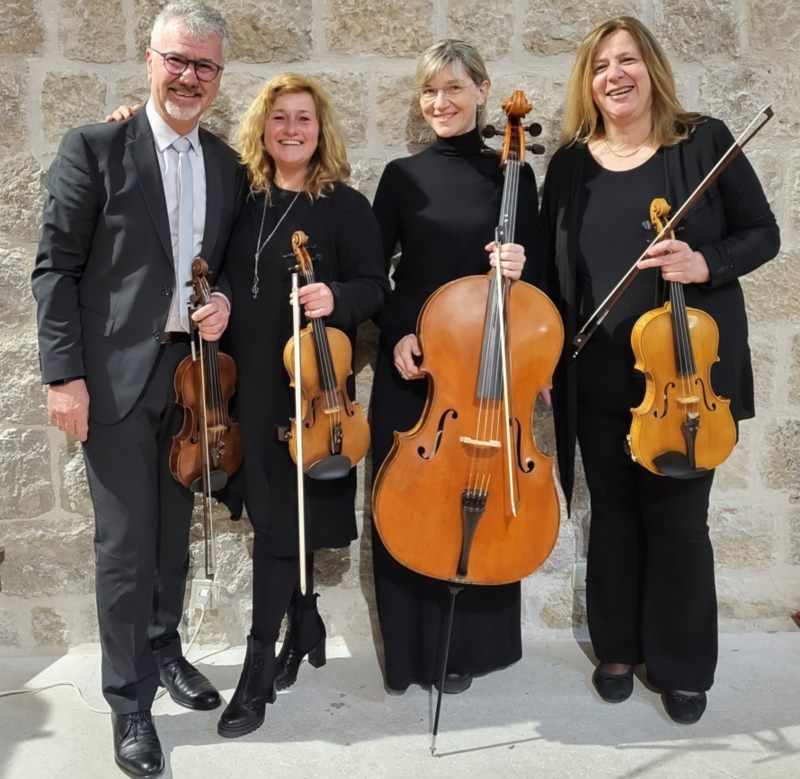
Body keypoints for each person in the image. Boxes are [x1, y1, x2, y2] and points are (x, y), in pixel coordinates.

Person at [540, 16, 780, 724]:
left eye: (627, 60)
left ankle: (679, 662)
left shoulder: (702, 142)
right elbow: (560, 278)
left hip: (687, 382)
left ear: (651, 68)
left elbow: (763, 232)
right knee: (610, 515)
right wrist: (552, 349)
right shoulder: (570, 166)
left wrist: (706, 261)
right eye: (600, 65)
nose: (614, 74)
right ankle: (617, 646)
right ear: (588, 83)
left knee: (678, 519)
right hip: (601, 374)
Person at [31, 3, 246, 776]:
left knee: (171, 531)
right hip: (111, 378)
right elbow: (55, 266)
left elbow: (218, 266)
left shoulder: (228, 166)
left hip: (188, 379)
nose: (189, 77)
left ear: (220, 76)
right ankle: (129, 704)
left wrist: (218, 300)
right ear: (149, 59)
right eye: (177, 60)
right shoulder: (94, 146)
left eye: (205, 66)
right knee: (124, 545)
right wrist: (63, 375)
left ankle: (163, 649)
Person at [215, 73, 389, 738]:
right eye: (280, 118)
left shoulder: (345, 206)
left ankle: (256, 670)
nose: (292, 129)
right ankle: (304, 614)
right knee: (272, 516)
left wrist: (335, 299)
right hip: (251, 387)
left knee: (286, 523)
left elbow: (376, 285)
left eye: (304, 120)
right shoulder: (243, 199)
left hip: (316, 390)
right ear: (264, 128)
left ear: (322, 131)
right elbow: (225, 270)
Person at [369, 39, 544, 694]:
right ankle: (414, 652)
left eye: (452, 88)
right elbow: (371, 274)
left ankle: (465, 650)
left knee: (480, 502)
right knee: (410, 505)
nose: (439, 102)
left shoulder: (516, 176)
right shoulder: (400, 176)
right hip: (416, 371)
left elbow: (542, 285)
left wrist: (520, 271)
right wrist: (394, 335)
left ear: (481, 91)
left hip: (486, 376)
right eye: (429, 91)